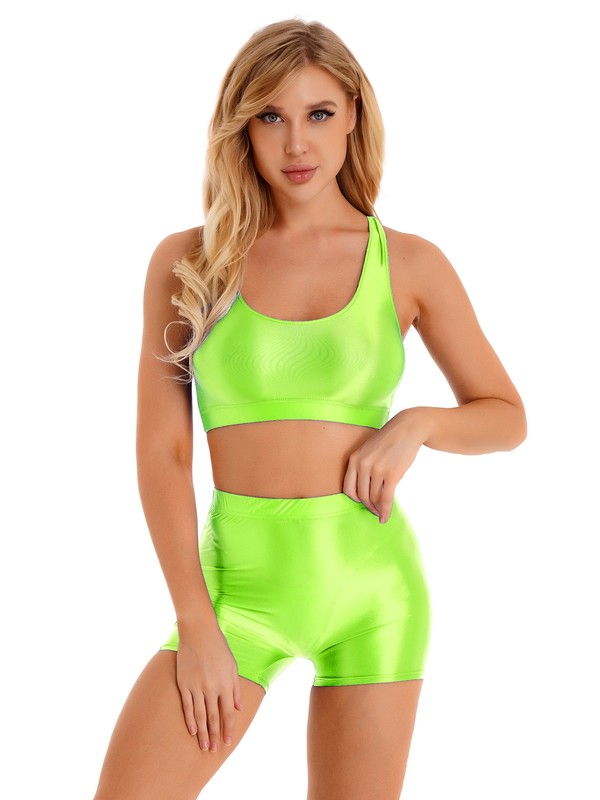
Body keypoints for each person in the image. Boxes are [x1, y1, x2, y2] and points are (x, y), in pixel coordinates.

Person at [92, 17, 527, 800]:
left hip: (375, 592)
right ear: (242, 128)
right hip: (235, 598)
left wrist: (417, 425)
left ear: (354, 113)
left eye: (319, 113)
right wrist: (195, 622)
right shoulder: (190, 262)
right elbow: (164, 453)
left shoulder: (409, 263)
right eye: (271, 116)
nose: (297, 143)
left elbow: (506, 415)